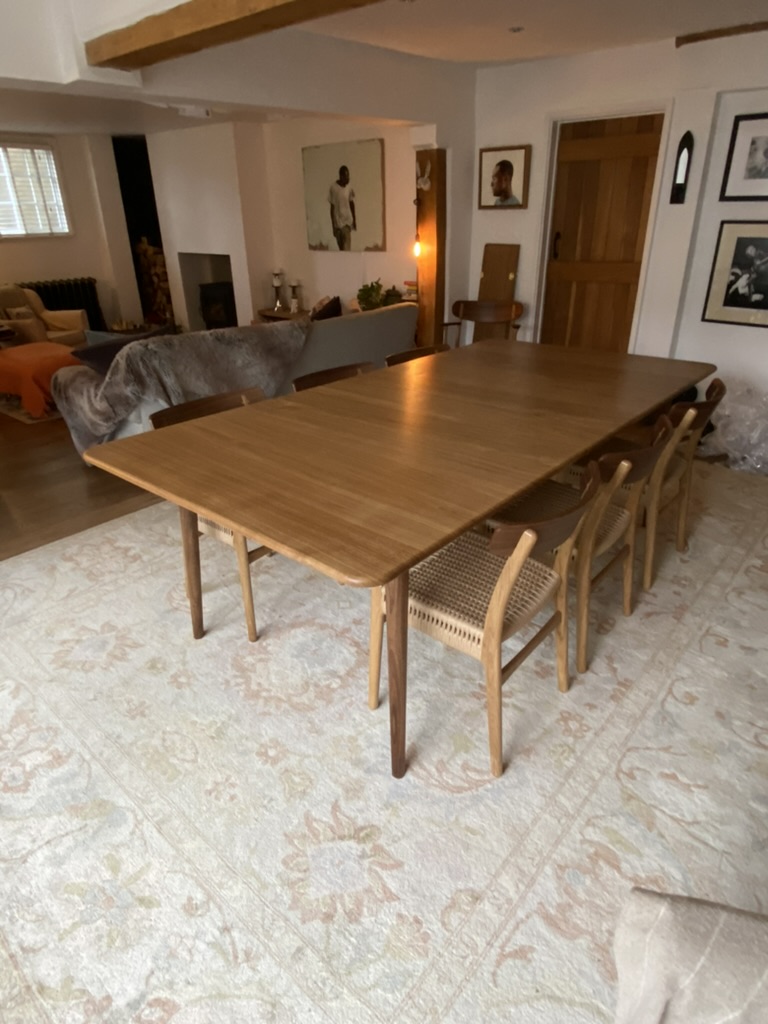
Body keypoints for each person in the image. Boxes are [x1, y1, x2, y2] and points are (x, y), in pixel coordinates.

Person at [328, 165, 356, 250]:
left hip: (347, 224)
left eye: (348, 176)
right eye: (346, 176)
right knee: (341, 252)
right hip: (338, 226)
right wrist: (333, 227)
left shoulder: (349, 187)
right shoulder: (333, 188)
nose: (348, 178)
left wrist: (354, 220)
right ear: (341, 176)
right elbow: (332, 208)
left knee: (346, 252)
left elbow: (352, 203)